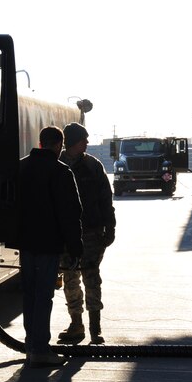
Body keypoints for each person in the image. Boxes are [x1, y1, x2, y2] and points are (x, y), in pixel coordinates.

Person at [16, 126, 84, 368]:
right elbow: (71, 214)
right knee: (44, 296)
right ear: (59, 146)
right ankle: (40, 350)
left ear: (40, 142)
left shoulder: (21, 167)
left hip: (25, 243)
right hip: (48, 244)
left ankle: (30, 346)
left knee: (29, 295)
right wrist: (76, 248)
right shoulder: (61, 172)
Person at [57, 122, 116, 345]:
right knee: (71, 279)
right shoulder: (57, 164)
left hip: (91, 232)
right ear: (74, 141)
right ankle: (76, 324)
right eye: (84, 139)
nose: (88, 143)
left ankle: (94, 327)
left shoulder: (93, 166)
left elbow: (105, 200)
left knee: (92, 279)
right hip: (66, 235)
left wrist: (110, 228)